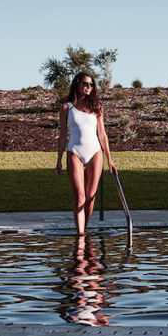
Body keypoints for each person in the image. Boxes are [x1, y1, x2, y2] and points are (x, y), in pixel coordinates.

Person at [55, 72, 117, 235]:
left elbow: (102, 134)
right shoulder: (66, 108)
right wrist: (59, 160)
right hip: (74, 151)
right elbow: (62, 135)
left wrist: (109, 159)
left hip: (94, 152)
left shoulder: (97, 107)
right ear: (77, 84)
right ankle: (80, 235)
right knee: (80, 196)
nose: (89, 87)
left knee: (90, 196)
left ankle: (84, 228)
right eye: (86, 84)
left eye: (91, 85)